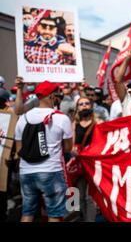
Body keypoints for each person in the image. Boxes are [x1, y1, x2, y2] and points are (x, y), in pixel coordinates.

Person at [14, 81, 73, 222]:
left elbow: (18, 150)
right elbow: (68, 148)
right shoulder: (61, 118)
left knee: (27, 213)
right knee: (54, 214)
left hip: (26, 171)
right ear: (52, 96)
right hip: (51, 171)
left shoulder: (23, 118)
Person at [70, 97, 97, 222]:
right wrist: (73, 152)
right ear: (77, 108)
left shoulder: (98, 123)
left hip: (93, 164)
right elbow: (70, 145)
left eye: (87, 103)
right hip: (78, 164)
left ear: (91, 106)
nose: (84, 106)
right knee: (76, 194)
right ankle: (76, 217)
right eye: (81, 104)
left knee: (90, 197)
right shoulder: (74, 124)